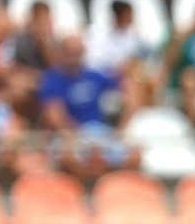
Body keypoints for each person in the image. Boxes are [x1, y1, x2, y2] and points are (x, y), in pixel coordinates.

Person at [40, 36, 137, 182]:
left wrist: (121, 127)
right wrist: (79, 137)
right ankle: (85, 192)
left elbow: (127, 86)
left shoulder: (94, 76)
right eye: (70, 51)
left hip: (100, 133)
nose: (74, 56)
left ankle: (112, 189)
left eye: (77, 51)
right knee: (69, 157)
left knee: (135, 155)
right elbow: (54, 116)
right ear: (63, 53)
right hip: (72, 136)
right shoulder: (53, 79)